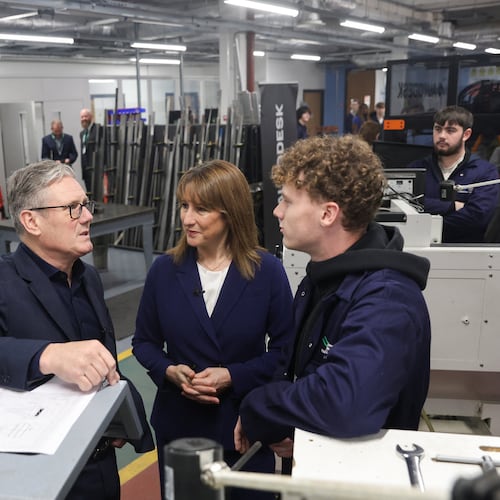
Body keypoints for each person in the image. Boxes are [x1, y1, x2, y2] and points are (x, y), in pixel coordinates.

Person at [234, 135, 431, 464]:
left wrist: (261, 407)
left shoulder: (386, 298)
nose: (277, 211)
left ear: (328, 214)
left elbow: (347, 402)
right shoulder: (320, 279)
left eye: (288, 201)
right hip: (321, 465)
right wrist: (290, 428)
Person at [132, 159, 294, 500]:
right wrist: (168, 371)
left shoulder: (267, 273)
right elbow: (144, 343)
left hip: (242, 425)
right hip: (180, 427)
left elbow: (284, 353)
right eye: (184, 206)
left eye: (201, 209)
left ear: (230, 213)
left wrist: (232, 376)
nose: (187, 218)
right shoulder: (164, 271)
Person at [0, 160, 154, 499]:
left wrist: (123, 417)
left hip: (99, 467)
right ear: (31, 220)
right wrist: (47, 355)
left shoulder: (89, 279)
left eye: (85, 205)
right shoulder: (5, 280)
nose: (87, 217)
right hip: (40, 479)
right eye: (72, 208)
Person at [409, 105, 500, 243]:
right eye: (437, 129)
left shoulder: (485, 172)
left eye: (450, 130)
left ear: (466, 134)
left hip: (467, 253)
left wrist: (426, 221)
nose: (441, 136)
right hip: (419, 251)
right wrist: (452, 206)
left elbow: (477, 219)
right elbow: (405, 206)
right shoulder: (416, 169)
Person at [80, 108, 98, 193]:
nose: (83, 119)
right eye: (82, 117)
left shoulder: (98, 130)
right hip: (86, 171)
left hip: (96, 169)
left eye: (86, 116)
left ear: (91, 117)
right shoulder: (82, 133)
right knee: (90, 193)